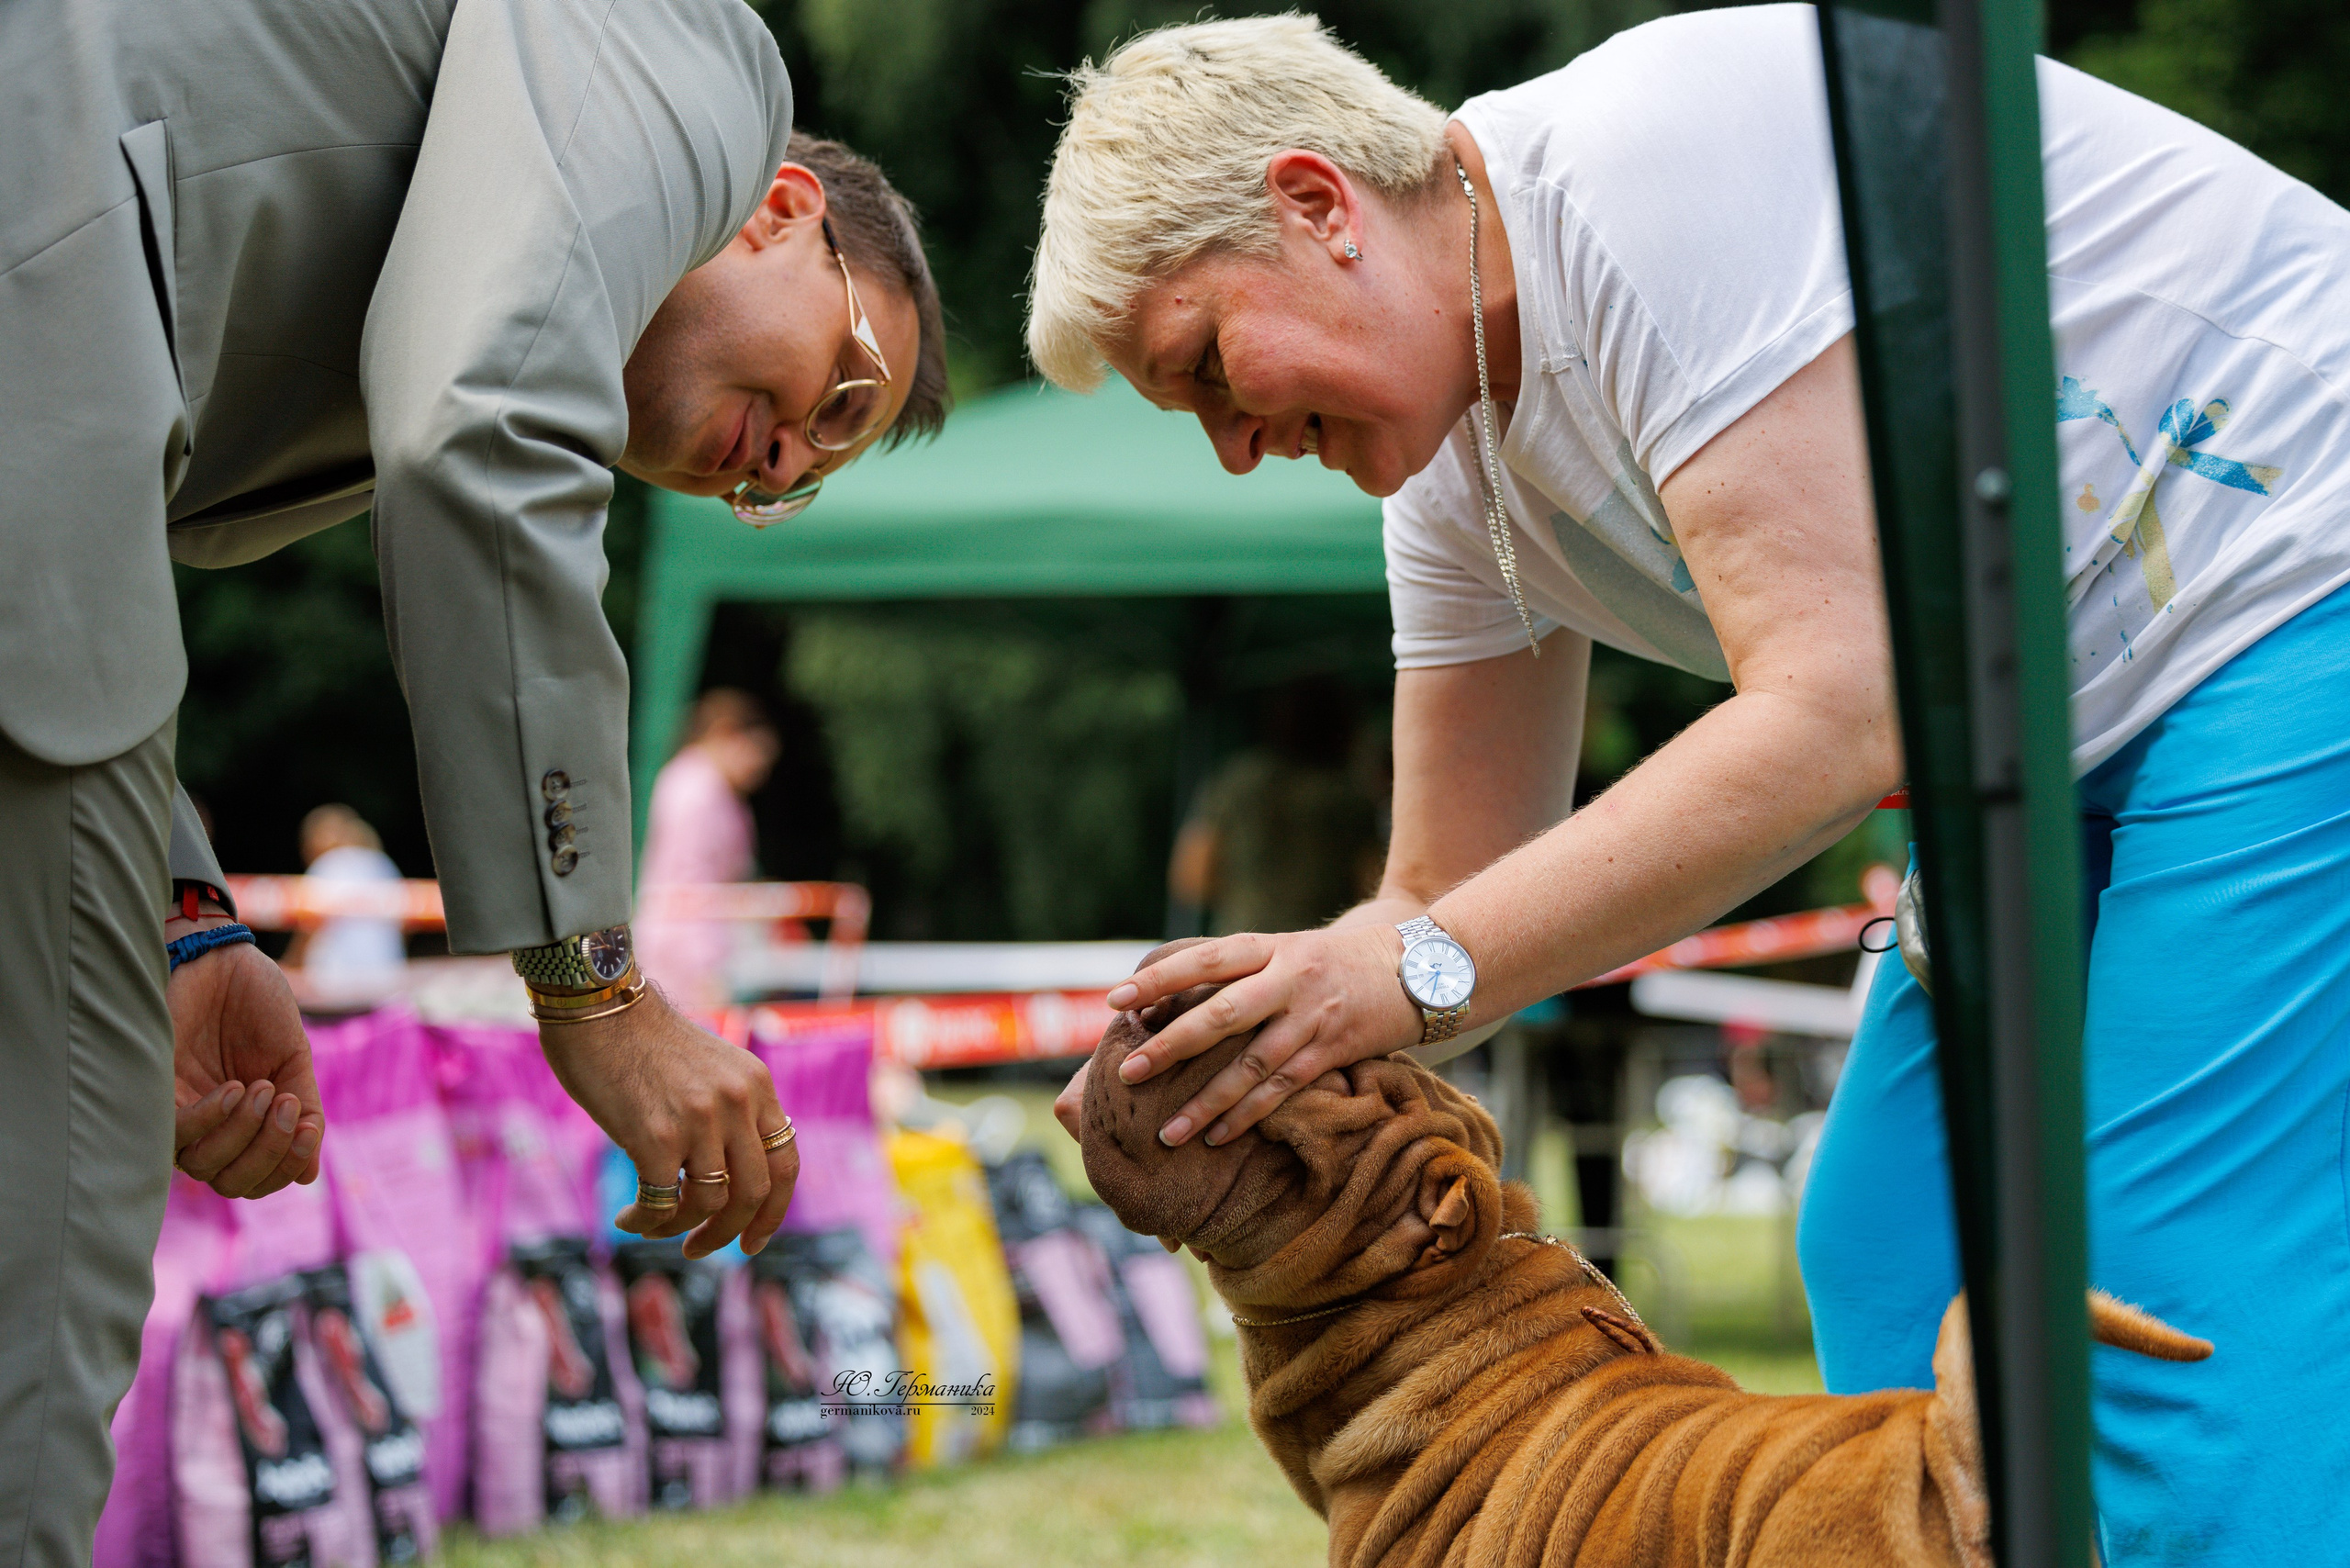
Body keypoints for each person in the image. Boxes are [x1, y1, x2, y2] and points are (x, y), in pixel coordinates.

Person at [1030, 10, 2350, 1561]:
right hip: (2057, 722)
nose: (1235, 449)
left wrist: (1398, 966)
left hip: (2295, 584)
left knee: (2165, 1283)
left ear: (1319, 205)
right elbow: (1440, 915)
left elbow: (1835, 716)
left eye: (1203, 366)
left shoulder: (1637, 176)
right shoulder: (1456, 469)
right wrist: (1283, 1013)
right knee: (1889, 1240)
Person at [0, 0, 947, 1559]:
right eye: (837, 391)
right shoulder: (703, 59)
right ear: (779, 209)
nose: (782, 464)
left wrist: (183, 920)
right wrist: (598, 991)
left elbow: (91, 580)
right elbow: (484, 419)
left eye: (806, 482)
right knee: (43, 1253)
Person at [1167, 676, 1382, 936]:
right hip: (1321, 951)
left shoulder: (1237, 781)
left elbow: (1192, 878)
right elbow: (1373, 889)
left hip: (1241, 951)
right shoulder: (1349, 798)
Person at [633, 689, 782, 1009]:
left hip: (692, 947)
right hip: (683, 954)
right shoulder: (697, 790)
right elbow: (691, 885)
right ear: (728, 733)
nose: (759, 770)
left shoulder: (706, 787)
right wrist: (704, 972)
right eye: (757, 754)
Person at [284, 803, 409, 1002]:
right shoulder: (383, 864)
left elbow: (309, 928)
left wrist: (287, 969)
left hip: (334, 989)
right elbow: (404, 925)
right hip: (385, 985)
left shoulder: (327, 866)